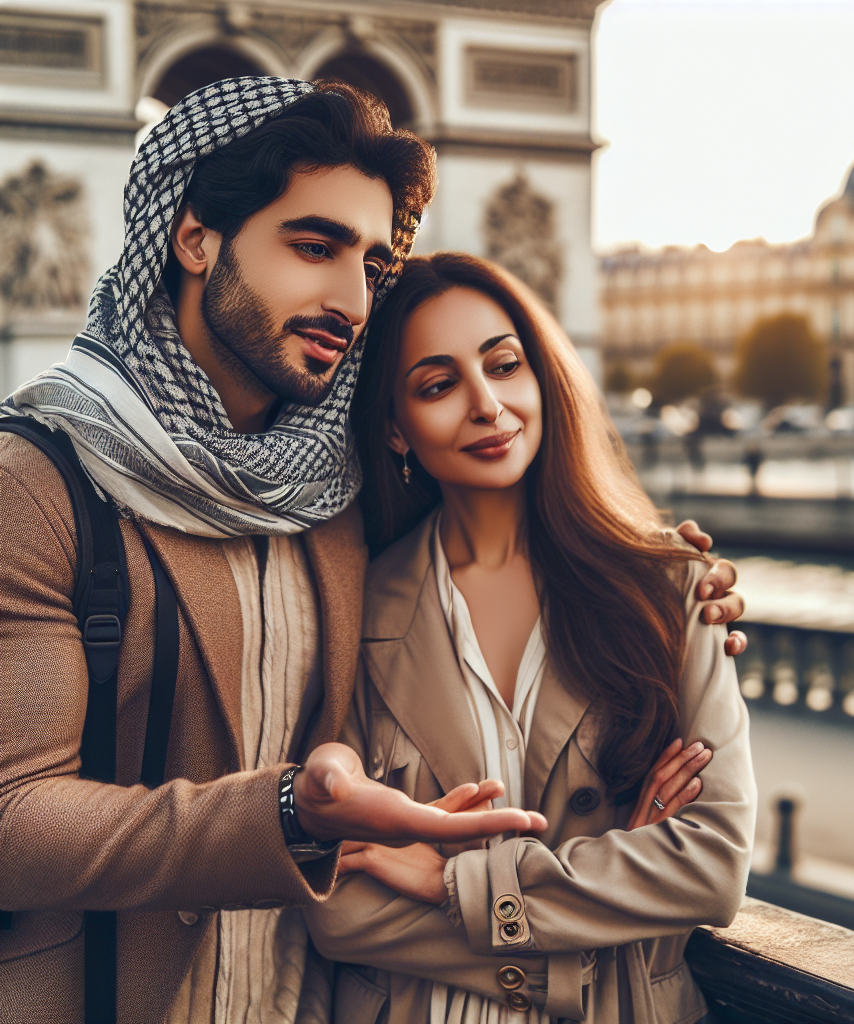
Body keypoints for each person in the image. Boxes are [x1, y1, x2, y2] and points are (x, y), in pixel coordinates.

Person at [0, 79, 552, 1024]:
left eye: (374, 267)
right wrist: (288, 814)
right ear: (193, 237)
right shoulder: (37, 483)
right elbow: (12, 821)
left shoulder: (341, 488)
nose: (351, 298)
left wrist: (673, 589)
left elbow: (511, 534)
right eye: (314, 246)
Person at [303, 253, 757, 1023]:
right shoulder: (351, 607)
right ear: (395, 428)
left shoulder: (673, 583)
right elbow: (336, 908)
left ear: (543, 375)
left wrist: (452, 884)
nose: (488, 404)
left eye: (504, 365)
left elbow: (711, 867)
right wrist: (603, 909)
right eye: (439, 385)